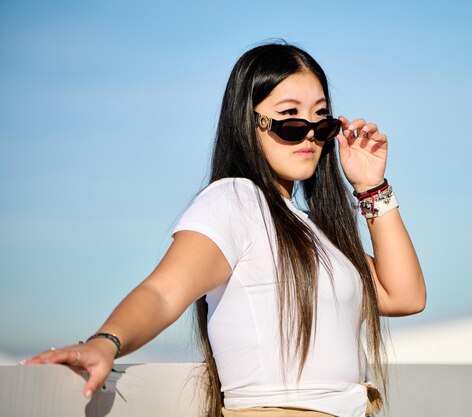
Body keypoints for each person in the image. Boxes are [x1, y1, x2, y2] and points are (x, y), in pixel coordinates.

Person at [24, 42, 426, 417]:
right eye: (289, 119)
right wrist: (106, 342)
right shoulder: (235, 200)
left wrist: (371, 186)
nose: (309, 134)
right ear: (249, 122)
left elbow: (404, 295)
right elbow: (164, 291)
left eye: (322, 121)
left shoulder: (313, 229)